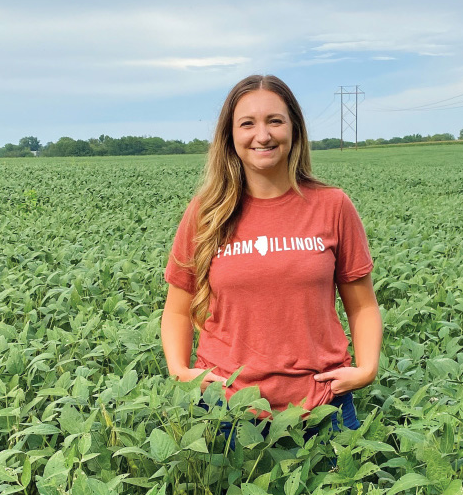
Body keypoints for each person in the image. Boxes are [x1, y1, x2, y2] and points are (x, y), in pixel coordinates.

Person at [161, 74, 382, 430]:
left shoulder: (332, 206)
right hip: (227, 410)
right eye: (247, 123)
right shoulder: (205, 212)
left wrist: (367, 367)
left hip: (325, 407)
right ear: (230, 136)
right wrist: (179, 371)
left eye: (274, 121)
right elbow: (177, 311)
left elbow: (363, 305)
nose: (262, 135)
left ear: (294, 128)